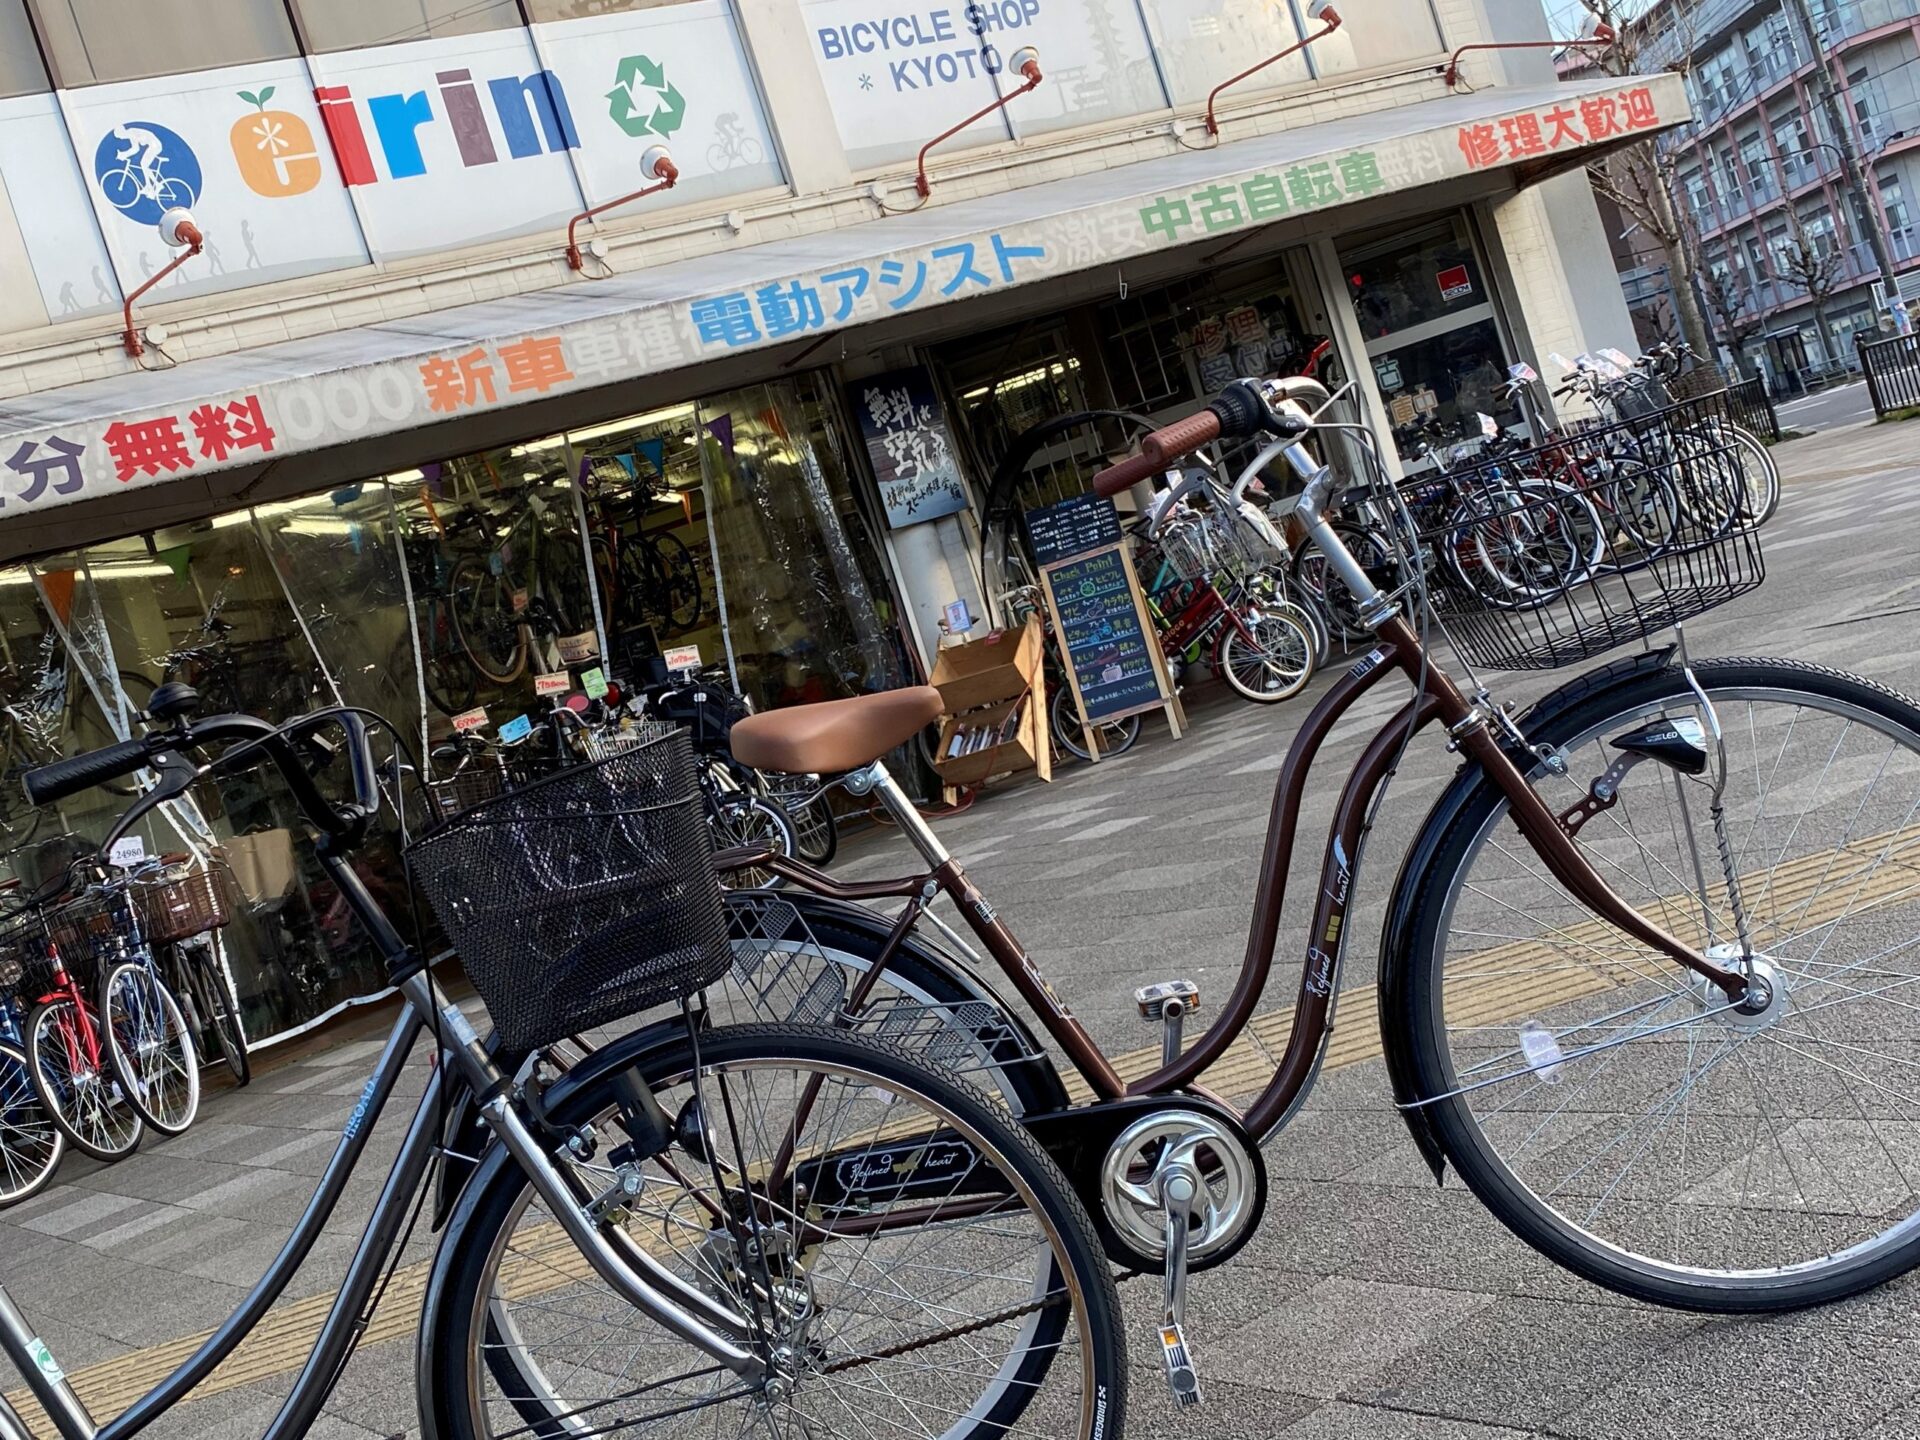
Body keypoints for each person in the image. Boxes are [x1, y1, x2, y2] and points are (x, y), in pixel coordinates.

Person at [111, 122, 166, 200]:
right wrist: (124, 154)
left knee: (143, 164)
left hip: (155, 145)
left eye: (120, 136)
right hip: (153, 144)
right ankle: (152, 185)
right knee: (144, 165)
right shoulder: (131, 134)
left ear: (122, 132)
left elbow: (137, 147)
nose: (121, 138)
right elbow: (135, 149)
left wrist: (124, 154)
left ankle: (151, 186)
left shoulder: (131, 132)